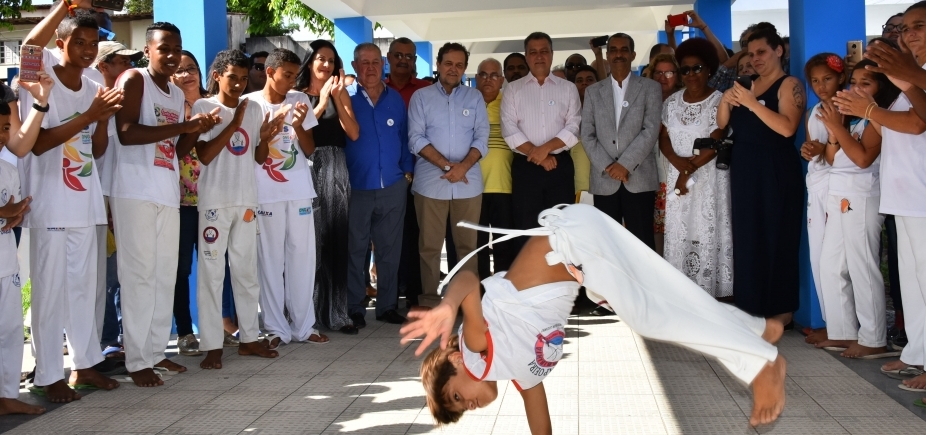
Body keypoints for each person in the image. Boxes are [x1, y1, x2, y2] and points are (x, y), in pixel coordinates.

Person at [403, 204, 788, 430]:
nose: (466, 404)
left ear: (456, 360)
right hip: (579, 252)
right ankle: (757, 330)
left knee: (652, 315)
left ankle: (762, 364)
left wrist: (448, 306)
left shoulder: (478, 353)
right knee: (666, 297)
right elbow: (541, 425)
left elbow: (469, 281)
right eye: (460, 409)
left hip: (571, 245)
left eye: (455, 396)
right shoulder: (517, 373)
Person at [20, 12, 122, 401]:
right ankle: (48, 375)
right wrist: (63, 6)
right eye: (79, 41)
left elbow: (97, 150)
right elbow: (41, 142)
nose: (87, 49)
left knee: (85, 291)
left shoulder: (96, 83)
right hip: (49, 203)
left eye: (93, 43)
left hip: (85, 203)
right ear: (60, 44)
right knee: (49, 294)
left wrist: (98, 121)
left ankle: (85, 365)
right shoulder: (41, 72)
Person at [112, 22, 217, 388]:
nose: (172, 56)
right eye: (164, 49)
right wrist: (182, 127)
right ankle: (136, 358)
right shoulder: (133, 80)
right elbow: (127, 134)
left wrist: (195, 128)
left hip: (165, 192)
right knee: (138, 275)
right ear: (148, 51)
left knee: (163, 274)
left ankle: (156, 352)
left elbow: (176, 150)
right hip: (133, 191)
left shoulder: (174, 93)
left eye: (177, 49)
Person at [183, 49, 283, 369]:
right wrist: (233, 122)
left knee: (246, 272)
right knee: (211, 275)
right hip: (214, 202)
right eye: (232, 78)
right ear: (217, 77)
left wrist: (265, 138)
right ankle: (212, 344)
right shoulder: (204, 107)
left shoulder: (253, 108)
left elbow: (256, 157)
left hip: (246, 201)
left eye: (243, 79)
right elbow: (205, 155)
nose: (239, 84)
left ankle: (249, 339)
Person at [858, 1, 926, 395]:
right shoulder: (908, 76)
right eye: (906, 28)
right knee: (913, 283)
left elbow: (919, 122)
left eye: (919, 26)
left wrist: (869, 108)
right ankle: (917, 351)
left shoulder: (914, 75)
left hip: (920, 194)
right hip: (904, 194)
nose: (909, 34)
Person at [717, 26, 805, 323]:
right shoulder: (746, 84)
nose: (755, 59)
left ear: (779, 50)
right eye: (750, 54)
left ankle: (781, 312)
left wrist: (753, 103)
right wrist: (727, 100)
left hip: (776, 169)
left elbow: (787, 128)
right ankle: (750, 308)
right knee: (747, 237)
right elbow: (722, 124)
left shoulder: (788, 84)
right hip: (744, 168)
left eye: (761, 52)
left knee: (778, 237)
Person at [814, 58, 900, 358]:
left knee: (863, 268)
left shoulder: (879, 117)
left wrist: (837, 127)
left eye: (866, 83)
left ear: (881, 87)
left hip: (863, 197)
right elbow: (836, 157)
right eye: (855, 82)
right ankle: (843, 332)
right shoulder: (853, 117)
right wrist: (836, 131)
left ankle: (874, 337)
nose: (857, 88)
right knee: (831, 265)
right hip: (840, 194)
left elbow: (863, 159)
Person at [245, 48, 327, 347]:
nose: (293, 81)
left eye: (295, 75)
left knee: (303, 257)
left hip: (299, 191)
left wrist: (297, 123)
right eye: (287, 75)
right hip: (265, 193)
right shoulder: (249, 104)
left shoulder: (300, 101)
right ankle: (276, 328)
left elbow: (308, 149)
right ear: (270, 72)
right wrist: (267, 134)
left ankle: (304, 327)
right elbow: (253, 155)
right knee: (269, 260)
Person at [408, 43, 488, 307]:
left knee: (467, 249)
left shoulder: (474, 97)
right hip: (431, 185)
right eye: (448, 63)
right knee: (429, 248)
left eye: (459, 64)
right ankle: (430, 302)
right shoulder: (421, 97)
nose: (453, 69)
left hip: (468, 185)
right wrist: (446, 166)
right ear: (439, 65)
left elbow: (481, 138)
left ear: (465, 68)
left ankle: (467, 302)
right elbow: (415, 138)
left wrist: (462, 167)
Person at [346, 43, 414, 327]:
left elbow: (405, 137)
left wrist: (407, 174)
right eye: (364, 62)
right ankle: (354, 307)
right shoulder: (346, 98)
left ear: (383, 64)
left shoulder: (395, 99)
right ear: (355, 67)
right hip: (356, 187)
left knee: (389, 249)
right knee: (356, 249)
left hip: (393, 186)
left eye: (376, 62)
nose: (371, 67)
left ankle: (387, 306)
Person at [659, 38, 732, 298]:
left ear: (710, 69)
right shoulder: (671, 103)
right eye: (685, 69)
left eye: (697, 68)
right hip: (679, 173)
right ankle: (682, 294)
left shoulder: (719, 100)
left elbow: (715, 143)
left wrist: (687, 171)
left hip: (708, 178)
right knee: (681, 232)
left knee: (703, 229)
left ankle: (707, 292)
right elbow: (663, 137)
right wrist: (678, 164)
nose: (691, 74)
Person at [296, 40, 361, 335]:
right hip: (303, 169)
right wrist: (321, 102)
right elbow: (302, 134)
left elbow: (354, 133)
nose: (326, 65)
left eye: (331, 61)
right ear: (310, 62)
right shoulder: (296, 96)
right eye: (320, 59)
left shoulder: (340, 92)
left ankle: (336, 313)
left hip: (335, 168)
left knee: (335, 240)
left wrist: (336, 99)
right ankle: (305, 314)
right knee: (308, 245)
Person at [0, 65, 54, 417]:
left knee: (7, 330)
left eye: (5, 128)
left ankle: (6, 394)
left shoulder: (6, 167)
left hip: (5, 264)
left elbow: (9, 209)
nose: (4, 135)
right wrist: (6, 212)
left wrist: (13, 214)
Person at [501, 32, 581, 255]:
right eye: (533, 52)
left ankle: (562, 282)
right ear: (526, 56)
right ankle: (530, 284)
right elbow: (509, 129)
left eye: (544, 51)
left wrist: (545, 151)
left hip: (560, 167)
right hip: (526, 168)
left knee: (562, 227)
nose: (539, 57)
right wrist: (539, 156)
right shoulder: (513, 89)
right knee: (526, 228)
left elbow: (573, 127)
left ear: (552, 54)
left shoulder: (568, 88)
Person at [581, 33, 662, 250]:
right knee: (607, 246)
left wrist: (624, 164)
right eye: (614, 50)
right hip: (604, 180)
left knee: (642, 245)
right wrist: (609, 166)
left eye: (624, 49)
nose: (618, 54)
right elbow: (587, 134)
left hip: (638, 179)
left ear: (633, 54)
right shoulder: (593, 92)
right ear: (607, 55)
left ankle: (643, 284)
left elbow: (651, 130)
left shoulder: (650, 88)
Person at [91, 41, 142, 359]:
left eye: (133, 61)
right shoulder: (91, 100)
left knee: (126, 272)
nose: (130, 68)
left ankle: (124, 339)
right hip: (97, 198)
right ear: (103, 66)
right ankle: (107, 342)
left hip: (123, 195)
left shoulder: (131, 100)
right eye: (123, 62)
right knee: (107, 276)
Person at [799, 53, 845, 345]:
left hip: (839, 188)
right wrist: (809, 149)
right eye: (815, 81)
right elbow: (813, 149)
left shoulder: (845, 108)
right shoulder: (813, 111)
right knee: (818, 258)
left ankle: (845, 329)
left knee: (836, 262)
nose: (821, 86)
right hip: (816, 185)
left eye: (827, 79)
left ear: (841, 77)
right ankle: (833, 323)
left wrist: (820, 149)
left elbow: (841, 153)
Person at [385, 37, 429, 308]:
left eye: (409, 56)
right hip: (386, 175)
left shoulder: (425, 90)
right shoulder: (375, 89)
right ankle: (388, 294)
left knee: (416, 235)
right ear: (389, 58)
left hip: (422, 173)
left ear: (414, 61)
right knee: (387, 237)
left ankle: (415, 293)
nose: (404, 60)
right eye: (398, 55)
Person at [473, 58, 514, 280]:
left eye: (494, 75)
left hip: (505, 187)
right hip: (472, 188)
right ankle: (478, 295)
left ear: (502, 80)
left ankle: (502, 297)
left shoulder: (510, 102)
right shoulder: (466, 102)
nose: (489, 79)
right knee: (476, 246)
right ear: (476, 77)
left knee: (504, 246)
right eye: (484, 74)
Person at [645, 53, 683, 254]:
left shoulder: (685, 100)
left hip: (681, 175)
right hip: (653, 177)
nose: (663, 77)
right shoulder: (644, 101)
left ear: (677, 75)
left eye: (668, 72)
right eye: (658, 72)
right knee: (657, 232)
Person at [571, 65, 598, 197]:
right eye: (579, 80)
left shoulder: (605, 111)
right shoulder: (568, 112)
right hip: (577, 181)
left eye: (589, 79)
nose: (584, 83)